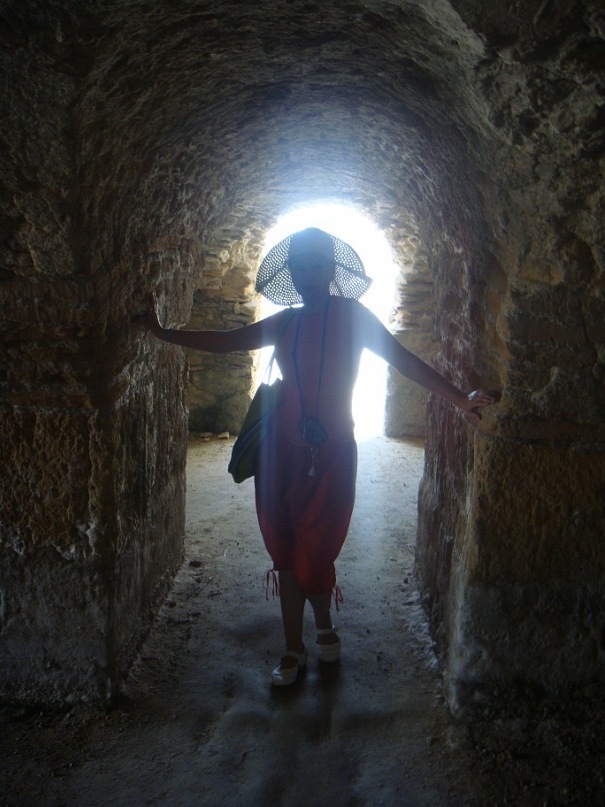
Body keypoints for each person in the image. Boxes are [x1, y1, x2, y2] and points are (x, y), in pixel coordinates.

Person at [147, 227, 495, 687]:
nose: (308, 275)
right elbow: (228, 341)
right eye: (300, 267)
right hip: (279, 455)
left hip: (331, 456)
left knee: (316, 547)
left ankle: (325, 626)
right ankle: (294, 646)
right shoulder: (284, 322)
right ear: (291, 274)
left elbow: (403, 360)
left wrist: (459, 399)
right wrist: (163, 333)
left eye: (317, 266)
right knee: (285, 548)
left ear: (331, 270)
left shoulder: (353, 317)